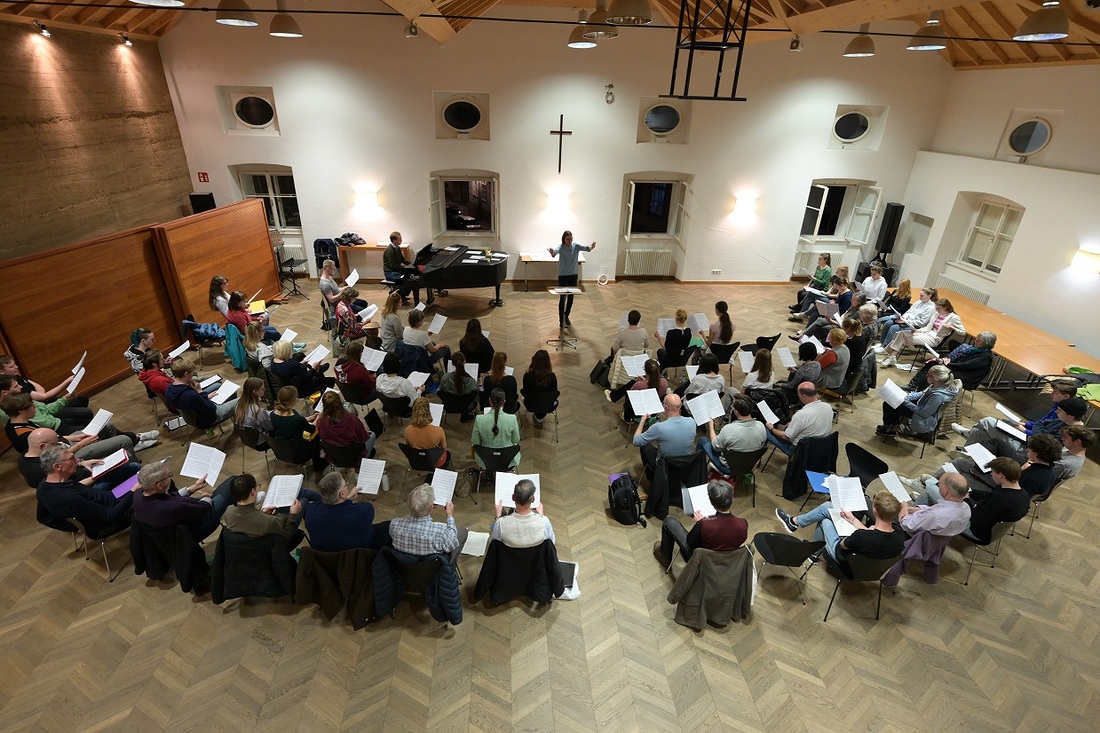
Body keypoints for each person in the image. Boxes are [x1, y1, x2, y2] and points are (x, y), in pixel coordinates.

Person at [775, 489, 905, 574]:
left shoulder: (861, 536)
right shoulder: (899, 534)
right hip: (871, 570)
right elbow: (873, 537)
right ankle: (794, 522)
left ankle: (798, 529)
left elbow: (842, 545)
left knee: (826, 518)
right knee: (828, 509)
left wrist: (847, 530)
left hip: (845, 561)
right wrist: (852, 519)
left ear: (875, 511)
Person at [1, 388, 154, 454]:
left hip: (66, 443)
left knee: (105, 426)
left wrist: (75, 437)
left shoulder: (20, 423)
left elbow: (55, 439)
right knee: (121, 439)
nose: (35, 408)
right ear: (21, 410)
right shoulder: (24, 434)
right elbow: (53, 456)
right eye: (31, 406)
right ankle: (128, 450)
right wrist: (81, 443)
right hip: (68, 455)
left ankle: (128, 443)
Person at [36, 444, 140, 536]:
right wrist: (133, 491)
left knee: (142, 475)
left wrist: (75, 527)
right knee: (150, 488)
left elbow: (42, 517)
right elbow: (111, 515)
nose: (77, 460)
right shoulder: (71, 498)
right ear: (57, 467)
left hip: (111, 497)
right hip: (113, 516)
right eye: (71, 458)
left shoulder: (43, 487)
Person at [955, 395, 1088, 463]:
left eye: (1060, 410)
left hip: (1027, 451)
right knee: (987, 429)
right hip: (1029, 440)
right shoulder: (1062, 419)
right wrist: (1026, 426)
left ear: (1070, 415)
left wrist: (1027, 430)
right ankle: (969, 453)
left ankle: (969, 445)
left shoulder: (1070, 434)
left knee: (987, 422)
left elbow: (1042, 440)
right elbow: (1040, 424)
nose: (1057, 412)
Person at [653, 479, 748, 567]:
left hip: (701, 561)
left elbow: (689, 542)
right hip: (727, 562)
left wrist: (702, 522)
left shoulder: (704, 525)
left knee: (669, 522)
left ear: (711, 502)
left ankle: (664, 557)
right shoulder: (743, 524)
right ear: (732, 499)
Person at [132, 459, 232, 542]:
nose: (170, 477)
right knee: (232, 484)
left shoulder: (138, 495)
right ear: (159, 485)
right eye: (169, 475)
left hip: (174, 528)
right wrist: (207, 498)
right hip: (191, 532)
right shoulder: (172, 507)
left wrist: (193, 488)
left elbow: (168, 497)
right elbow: (204, 508)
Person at [19, 427, 138, 490]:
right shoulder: (37, 470)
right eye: (56, 444)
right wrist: (98, 475)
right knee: (133, 467)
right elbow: (69, 489)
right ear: (42, 446)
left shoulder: (27, 454)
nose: (60, 446)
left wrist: (82, 463)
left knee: (124, 466)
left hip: (86, 475)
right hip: (87, 488)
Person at [303, 471, 391, 552]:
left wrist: (347, 498)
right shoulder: (363, 512)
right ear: (342, 494)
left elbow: (336, 510)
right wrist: (346, 499)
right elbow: (369, 510)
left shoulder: (311, 512)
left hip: (326, 557)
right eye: (345, 484)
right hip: (361, 554)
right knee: (388, 526)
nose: (347, 485)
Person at [220, 473, 304, 548]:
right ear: (253, 492)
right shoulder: (269, 522)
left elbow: (249, 523)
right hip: (268, 554)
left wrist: (262, 513)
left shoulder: (228, 512)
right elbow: (286, 539)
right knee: (304, 502)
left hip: (245, 554)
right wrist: (293, 514)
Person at [389, 483, 468, 563]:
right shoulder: (441, 531)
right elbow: (451, 545)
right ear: (431, 508)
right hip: (432, 571)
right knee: (464, 531)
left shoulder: (394, 524)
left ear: (408, 504)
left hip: (403, 568)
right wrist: (449, 515)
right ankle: (451, 566)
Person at [878, 298, 964, 368]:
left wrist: (952, 327)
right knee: (900, 333)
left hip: (934, 339)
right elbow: (927, 328)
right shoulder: (937, 314)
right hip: (927, 333)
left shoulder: (954, 318)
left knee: (903, 336)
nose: (937, 310)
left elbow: (962, 332)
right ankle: (892, 357)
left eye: (939, 308)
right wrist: (917, 330)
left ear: (945, 307)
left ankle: (891, 357)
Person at [962, 457, 1031, 543]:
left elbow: (977, 520)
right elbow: (989, 496)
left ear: (1001, 475)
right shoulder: (1023, 494)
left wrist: (967, 500)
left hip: (977, 532)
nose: (991, 474)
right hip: (991, 529)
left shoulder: (1000, 500)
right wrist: (970, 491)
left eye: (993, 471)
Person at [877, 364, 957, 437]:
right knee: (893, 400)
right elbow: (922, 393)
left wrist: (906, 402)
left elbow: (924, 413)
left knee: (889, 403)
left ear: (936, 379)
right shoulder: (937, 385)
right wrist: (907, 396)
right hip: (920, 405)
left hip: (921, 417)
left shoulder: (938, 396)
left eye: (929, 375)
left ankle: (891, 427)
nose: (927, 376)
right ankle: (893, 425)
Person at [0, 355, 89, 419]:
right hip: (41, 409)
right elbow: (43, 397)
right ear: (1, 372)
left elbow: (41, 389)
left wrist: (42, 396)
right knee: (85, 412)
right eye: (12, 366)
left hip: (45, 404)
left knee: (82, 400)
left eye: (15, 364)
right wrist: (67, 381)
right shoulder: (13, 386)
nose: (16, 367)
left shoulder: (17, 377)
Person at [903, 331, 996, 392]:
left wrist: (948, 364)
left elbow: (965, 365)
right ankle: (913, 386)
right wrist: (945, 360)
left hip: (966, 377)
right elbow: (961, 360)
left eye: (978, 340)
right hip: (958, 369)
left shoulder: (985, 357)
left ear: (984, 344)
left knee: (937, 371)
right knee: (932, 363)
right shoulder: (975, 349)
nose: (975, 340)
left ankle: (920, 393)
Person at [698, 396, 767, 475]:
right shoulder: (761, 426)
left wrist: (711, 426)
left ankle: (698, 472)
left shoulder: (729, 430)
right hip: (749, 465)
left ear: (736, 412)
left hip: (728, 467)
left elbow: (715, 447)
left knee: (702, 440)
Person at [632, 393, 697, 478]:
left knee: (644, 446)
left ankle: (654, 477)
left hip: (665, 465)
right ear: (680, 406)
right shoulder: (691, 422)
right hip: (685, 462)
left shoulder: (659, 428)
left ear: (666, 407)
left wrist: (642, 421)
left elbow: (636, 441)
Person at [163, 358, 238, 428]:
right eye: (192, 374)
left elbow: (192, 403)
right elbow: (211, 410)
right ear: (186, 374)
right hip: (208, 418)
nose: (192, 376)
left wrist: (204, 397)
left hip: (191, 419)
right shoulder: (191, 395)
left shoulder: (168, 390)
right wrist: (200, 392)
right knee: (243, 400)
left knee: (218, 387)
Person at [764, 382, 833, 456]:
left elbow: (785, 437)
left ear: (804, 397)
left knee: (764, 429)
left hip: (800, 450)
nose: (798, 396)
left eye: (798, 394)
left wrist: (771, 428)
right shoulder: (828, 407)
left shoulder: (801, 415)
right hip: (821, 447)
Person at [898, 473, 971, 537]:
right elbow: (932, 510)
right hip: (934, 539)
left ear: (946, 490)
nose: (938, 485)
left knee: (891, 510)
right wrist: (910, 509)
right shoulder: (966, 508)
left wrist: (904, 508)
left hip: (910, 535)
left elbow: (907, 526)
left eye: (939, 484)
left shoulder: (936, 515)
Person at [547, 230, 595, 328]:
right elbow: (554, 254)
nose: (569, 241)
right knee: (562, 297)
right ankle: (561, 320)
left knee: (571, 296)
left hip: (573, 274)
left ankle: (566, 315)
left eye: (571, 239)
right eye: (567, 239)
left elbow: (587, 248)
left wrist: (591, 247)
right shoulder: (561, 247)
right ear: (564, 239)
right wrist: (552, 252)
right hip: (563, 275)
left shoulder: (576, 246)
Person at [490, 478, 555, 548]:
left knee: (493, 527)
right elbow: (551, 543)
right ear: (533, 499)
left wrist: (498, 516)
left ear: (513, 497)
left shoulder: (500, 524)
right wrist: (541, 516)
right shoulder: (544, 522)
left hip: (509, 558)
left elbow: (494, 543)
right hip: (536, 558)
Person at [873, 286, 937, 350]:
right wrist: (902, 318)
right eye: (920, 295)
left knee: (893, 328)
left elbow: (922, 322)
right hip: (906, 321)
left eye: (922, 296)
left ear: (929, 296)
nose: (920, 297)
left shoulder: (931, 308)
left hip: (914, 326)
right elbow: (909, 312)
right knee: (888, 323)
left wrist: (906, 321)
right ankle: (882, 343)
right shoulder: (918, 302)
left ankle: (885, 347)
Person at [315, 390, 376, 457]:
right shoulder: (352, 420)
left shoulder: (320, 421)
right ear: (340, 403)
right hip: (354, 455)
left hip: (335, 456)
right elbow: (364, 438)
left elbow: (323, 438)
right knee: (372, 434)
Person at [472, 388, 522, 470]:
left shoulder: (479, 419)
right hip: (508, 460)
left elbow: (475, 441)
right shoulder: (512, 418)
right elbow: (515, 440)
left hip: (485, 460)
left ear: (489, 400)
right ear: (504, 402)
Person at [404, 397, 449, 468]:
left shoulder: (408, 430)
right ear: (428, 411)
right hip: (434, 461)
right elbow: (443, 447)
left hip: (416, 461)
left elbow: (408, 446)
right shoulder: (438, 430)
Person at [521, 349, 558, 424]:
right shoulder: (552, 377)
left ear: (534, 360)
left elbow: (525, 392)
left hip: (530, 405)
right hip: (548, 406)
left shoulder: (527, 376)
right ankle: (540, 416)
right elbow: (555, 393)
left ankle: (539, 416)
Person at [439, 352, 478, 421]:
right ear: (464, 361)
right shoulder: (471, 381)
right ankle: (465, 415)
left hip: (449, 406)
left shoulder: (445, 378)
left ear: (453, 363)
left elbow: (441, 391)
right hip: (466, 406)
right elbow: (476, 397)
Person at [383, 231, 416, 303]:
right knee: (407, 280)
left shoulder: (397, 248)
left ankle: (402, 295)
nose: (401, 241)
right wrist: (406, 268)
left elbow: (402, 259)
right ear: (394, 240)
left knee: (411, 277)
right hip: (390, 273)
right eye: (400, 239)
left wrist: (413, 264)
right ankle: (399, 295)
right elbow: (393, 266)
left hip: (396, 270)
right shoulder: (390, 251)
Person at [815, 327, 849, 392]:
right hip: (837, 379)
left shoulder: (832, 354)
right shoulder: (845, 348)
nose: (828, 339)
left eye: (829, 338)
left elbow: (816, 366)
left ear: (834, 340)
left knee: (801, 373)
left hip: (827, 382)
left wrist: (819, 355)